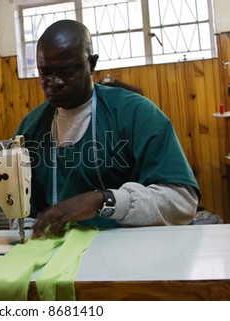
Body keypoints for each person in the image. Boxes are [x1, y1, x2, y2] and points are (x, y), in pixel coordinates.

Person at [13, 20, 200, 238]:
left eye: (66, 71)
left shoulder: (136, 114)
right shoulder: (31, 127)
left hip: (131, 252)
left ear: (91, 64)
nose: (53, 82)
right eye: (44, 72)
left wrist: (103, 200)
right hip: (57, 256)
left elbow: (183, 202)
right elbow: (22, 209)